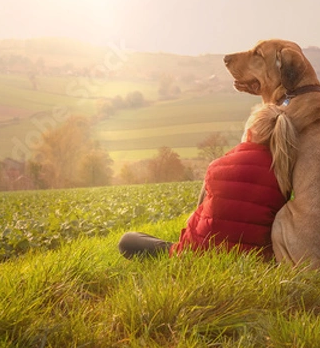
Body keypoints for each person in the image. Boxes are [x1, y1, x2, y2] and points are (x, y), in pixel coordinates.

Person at [118, 103, 298, 260]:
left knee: (128, 240)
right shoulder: (286, 175)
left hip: (196, 255)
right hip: (255, 260)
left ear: (249, 134)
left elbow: (198, 219)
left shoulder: (218, 166)